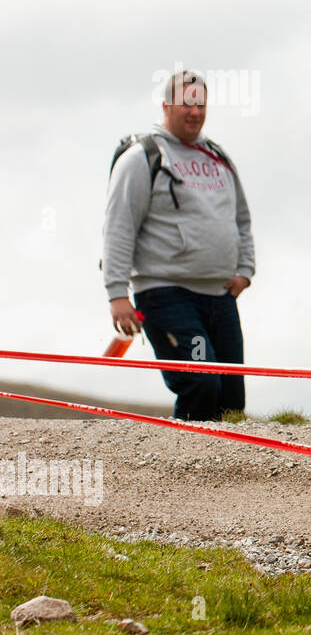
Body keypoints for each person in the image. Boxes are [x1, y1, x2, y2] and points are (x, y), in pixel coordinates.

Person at [102, 69, 255, 421]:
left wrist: (245, 270)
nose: (195, 112)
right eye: (187, 104)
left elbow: (241, 219)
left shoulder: (219, 158)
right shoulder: (142, 157)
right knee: (201, 383)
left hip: (220, 296)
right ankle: (185, 471)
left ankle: (230, 473)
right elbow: (118, 227)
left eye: (201, 104)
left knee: (231, 396)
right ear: (167, 105)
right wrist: (117, 293)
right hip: (165, 294)